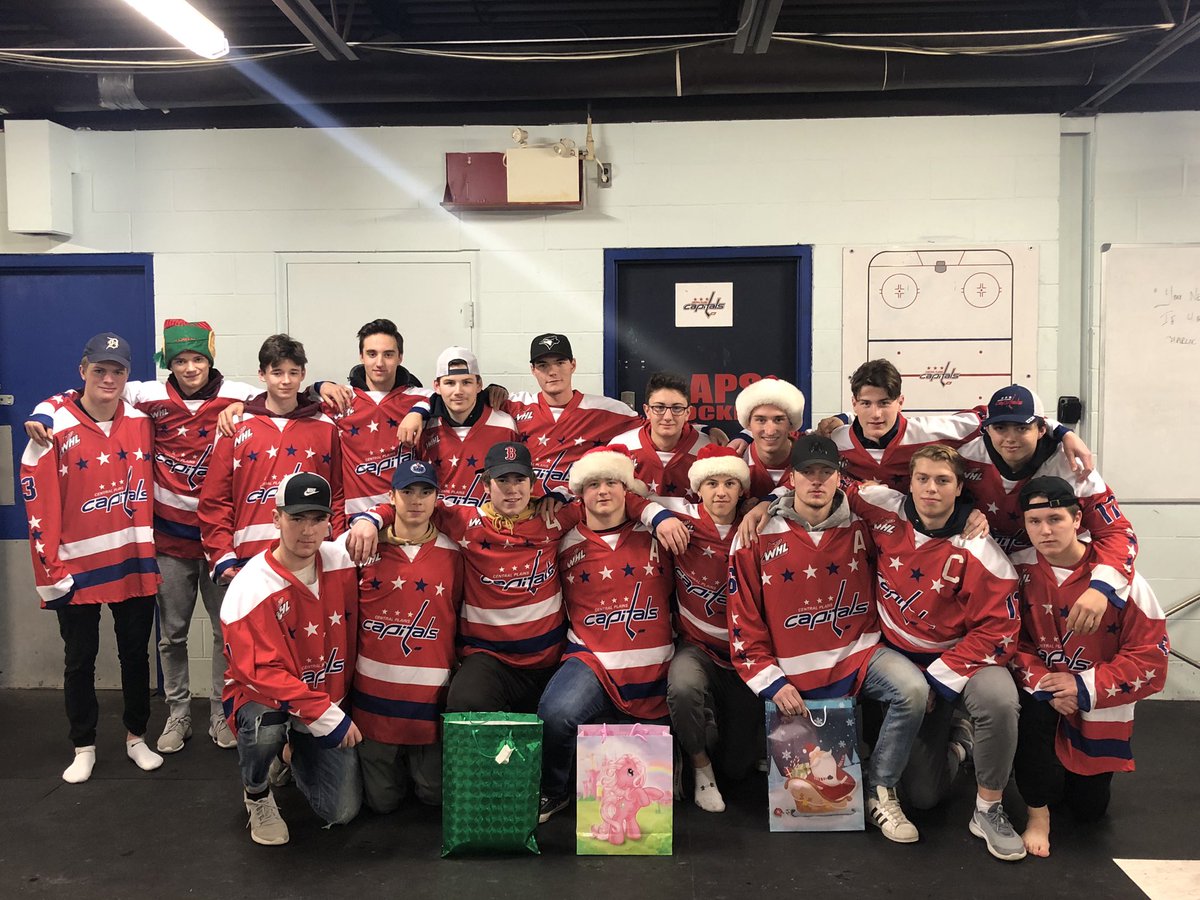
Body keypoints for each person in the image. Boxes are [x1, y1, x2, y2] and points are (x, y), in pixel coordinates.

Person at [24, 320, 260, 753]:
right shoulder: (144, 393)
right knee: (171, 636)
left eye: (198, 359)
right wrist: (43, 408)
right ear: (169, 363)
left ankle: (222, 715)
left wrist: (323, 387)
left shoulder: (243, 395)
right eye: (181, 360)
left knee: (228, 633)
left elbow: (288, 397)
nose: (190, 368)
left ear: (211, 359)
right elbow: (77, 397)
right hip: (168, 541)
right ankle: (178, 713)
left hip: (222, 540)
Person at [346, 442, 687, 719]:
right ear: (485, 485)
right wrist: (370, 519)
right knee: (464, 702)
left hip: (551, 658)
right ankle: (486, 793)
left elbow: (610, 498)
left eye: (519, 481)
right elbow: (412, 504)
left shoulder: (553, 519)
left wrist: (656, 516)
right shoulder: (466, 523)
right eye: (502, 481)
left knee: (563, 718)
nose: (512, 490)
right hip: (491, 658)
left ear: (533, 483)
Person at [728, 435, 929, 843]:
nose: (816, 482)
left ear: (840, 477)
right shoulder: (756, 534)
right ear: (792, 478)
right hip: (790, 669)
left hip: (859, 654)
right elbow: (742, 618)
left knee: (913, 690)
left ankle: (881, 791)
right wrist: (770, 678)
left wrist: (971, 513)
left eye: (826, 472)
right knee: (763, 771)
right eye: (807, 473)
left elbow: (928, 513)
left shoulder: (866, 523)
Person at [851, 445, 1026, 861]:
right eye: (923, 479)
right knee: (925, 797)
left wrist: (939, 679)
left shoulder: (981, 549)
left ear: (959, 487)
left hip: (966, 656)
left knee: (1000, 701)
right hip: (901, 656)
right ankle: (960, 744)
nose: (931, 488)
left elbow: (1000, 630)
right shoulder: (882, 508)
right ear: (907, 482)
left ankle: (988, 809)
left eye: (943, 480)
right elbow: (818, 481)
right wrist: (765, 504)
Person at [20, 332, 163, 783]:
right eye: (99, 369)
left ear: (127, 376)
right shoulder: (52, 426)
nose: (108, 378)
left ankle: (136, 736)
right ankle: (83, 745)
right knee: (79, 660)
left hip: (132, 563)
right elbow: (36, 503)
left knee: (135, 655)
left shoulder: (142, 421)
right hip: (76, 569)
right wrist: (50, 573)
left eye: (117, 370)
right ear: (82, 371)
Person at [1009, 476, 1168, 857]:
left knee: (1088, 812)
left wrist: (1082, 687)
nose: (1044, 531)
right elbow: (1009, 640)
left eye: (1055, 519)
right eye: (1034, 522)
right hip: (1044, 690)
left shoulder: (1119, 580)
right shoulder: (1017, 569)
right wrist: (1045, 681)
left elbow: (1152, 656)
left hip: (1095, 700)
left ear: (1077, 519)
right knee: (1030, 711)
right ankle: (1037, 812)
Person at [537, 445, 677, 823]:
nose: (603, 491)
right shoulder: (561, 542)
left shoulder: (658, 534)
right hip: (593, 659)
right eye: (593, 483)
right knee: (556, 714)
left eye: (612, 482)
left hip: (655, 666)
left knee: (652, 775)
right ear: (580, 494)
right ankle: (554, 791)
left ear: (627, 490)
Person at [221, 472, 362, 846]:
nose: (308, 530)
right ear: (276, 518)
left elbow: (403, 517)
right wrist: (324, 713)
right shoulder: (250, 587)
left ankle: (288, 755)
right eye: (296, 517)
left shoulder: (341, 559)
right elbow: (261, 672)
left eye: (317, 519)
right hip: (268, 699)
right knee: (265, 722)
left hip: (321, 703)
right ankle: (256, 792)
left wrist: (371, 518)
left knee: (341, 811)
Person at [960, 384, 1138, 637]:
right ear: (987, 428)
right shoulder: (963, 449)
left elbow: (1117, 532)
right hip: (983, 576)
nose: (1010, 438)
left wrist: (1103, 587)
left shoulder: (1073, 467)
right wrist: (960, 511)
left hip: (1043, 579)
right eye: (1000, 428)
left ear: (1042, 429)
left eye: (1022, 428)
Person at [654, 445, 762, 813]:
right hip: (697, 645)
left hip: (746, 655)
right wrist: (657, 519)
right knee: (682, 687)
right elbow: (634, 499)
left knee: (738, 767)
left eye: (730, 483)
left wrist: (767, 504)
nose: (720, 492)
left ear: (742, 490)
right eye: (712, 483)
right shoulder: (681, 519)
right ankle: (700, 769)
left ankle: (712, 731)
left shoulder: (759, 526)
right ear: (698, 489)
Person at [352, 460, 463, 813]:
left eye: (426, 492)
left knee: (433, 796)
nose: (417, 500)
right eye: (407, 492)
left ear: (436, 499)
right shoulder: (361, 549)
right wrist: (367, 521)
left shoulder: (454, 552)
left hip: (429, 703)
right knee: (382, 804)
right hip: (374, 703)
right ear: (391, 497)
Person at [198, 333, 345, 586]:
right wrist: (222, 555)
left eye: (293, 372)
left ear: (303, 374)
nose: (286, 381)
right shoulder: (235, 425)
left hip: (311, 558)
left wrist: (337, 550)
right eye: (277, 372)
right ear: (261, 375)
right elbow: (215, 500)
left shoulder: (326, 426)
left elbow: (338, 496)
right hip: (248, 562)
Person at [825, 359, 1092, 490]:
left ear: (901, 401)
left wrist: (1063, 432)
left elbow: (1008, 413)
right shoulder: (834, 439)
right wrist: (844, 418)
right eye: (866, 404)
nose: (875, 414)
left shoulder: (934, 431)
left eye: (884, 403)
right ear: (854, 403)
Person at [491, 333, 641, 495]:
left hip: (578, 509)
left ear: (573, 365)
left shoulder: (609, 411)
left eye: (560, 363)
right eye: (543, 365)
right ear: (533, 370)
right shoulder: (515, 405)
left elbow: (654, 431)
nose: (552, 372)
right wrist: (491, 392)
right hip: (525, 507)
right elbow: (470, 406)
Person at [417, 346, 520, 508]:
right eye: (449, 383)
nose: (458, 391)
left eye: (466, 382)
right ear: (437, 386)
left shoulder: (504, 424)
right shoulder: (425, 427)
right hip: (439, 526)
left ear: (479, 385)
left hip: (490, 526)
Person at [611, 371, 712, 499]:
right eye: (659, 407)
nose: (668, 417)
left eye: (677, 408)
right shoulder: (622, 447)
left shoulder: (707, 449)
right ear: (647, 410)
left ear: (688, 413)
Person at [732, 376, 806, 496]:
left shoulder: (811, 452)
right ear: (748, 424)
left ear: (791, 424)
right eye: (761, 420)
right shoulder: (735, 461)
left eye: (779, 420)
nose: (770, 431)